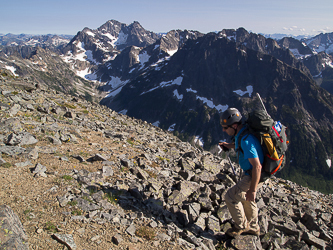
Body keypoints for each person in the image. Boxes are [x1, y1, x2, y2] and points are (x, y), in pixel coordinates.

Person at [219, 108, 264, 237]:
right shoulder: (242, 134)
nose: (224, 130)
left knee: (231, 196)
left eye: (225, 127)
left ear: (234, 125)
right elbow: (239, 144)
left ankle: (241, 227)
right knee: (246, 198)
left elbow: (257, 167)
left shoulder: (246, 140)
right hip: (256, 174)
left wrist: (253, 190)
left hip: (253, 174)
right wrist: (229, 145)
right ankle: (254, 227)